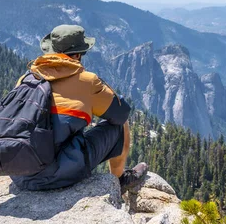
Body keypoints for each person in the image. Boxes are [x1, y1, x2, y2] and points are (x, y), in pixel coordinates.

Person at [11, 24, 147, 192]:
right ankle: (120, 181)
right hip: (53, 176)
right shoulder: (86, 81)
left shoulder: (26, 79)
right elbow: (121, 113)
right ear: (77, 55)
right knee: (120, 125)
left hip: (17, 172)